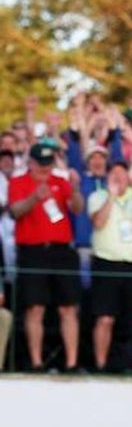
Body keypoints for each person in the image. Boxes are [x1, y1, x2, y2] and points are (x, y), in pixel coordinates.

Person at [8, 142, 84, 372]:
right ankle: (36, 361)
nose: (44, 169)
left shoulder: (60, 182)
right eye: (40, 164)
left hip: (61, 250)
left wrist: (76, 188)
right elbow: (15, 212)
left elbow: (77, 208)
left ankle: (71, 362)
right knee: (35, 307)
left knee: (68, 307)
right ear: (30, 163)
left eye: (48, 164)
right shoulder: (18, 182)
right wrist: (34, 198)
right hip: (33, 250)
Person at [88, 161, 132, 373]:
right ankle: (101, 364)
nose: (118, 178)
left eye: (122, 174)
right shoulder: (97, 197)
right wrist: (110, 196)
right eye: (114, 174)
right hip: (106, 262)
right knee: (105, 318)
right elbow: (98, 222)